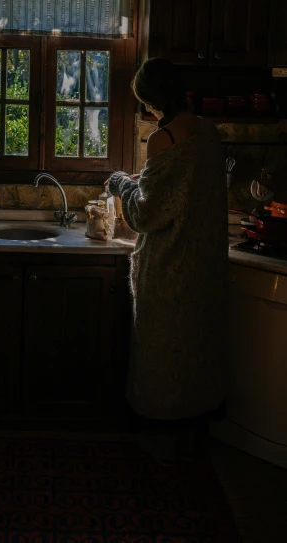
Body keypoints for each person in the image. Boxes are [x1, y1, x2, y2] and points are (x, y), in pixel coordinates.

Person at [106, 58, 227, 464]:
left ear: (154, 100)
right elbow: (181, 193)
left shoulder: (163, 139)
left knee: (161, 353)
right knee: (194, 352)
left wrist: (122, 183)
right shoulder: (208, 132)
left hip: (170, 268)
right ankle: (192, 440)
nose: (147, 110)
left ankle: (160, 445)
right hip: (205, 266)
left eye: (146, 102)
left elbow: (144, 216)